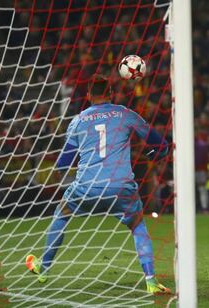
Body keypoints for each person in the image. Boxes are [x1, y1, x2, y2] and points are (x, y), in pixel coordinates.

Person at [25, 75, 171, 294]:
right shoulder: (125, 114)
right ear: (110, 93)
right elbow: (161, 145)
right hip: (121, 187)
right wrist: (154, 154)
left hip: (86, 187)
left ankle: (43, 268)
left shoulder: (78, 121)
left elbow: (64, 163)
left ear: (88, 95)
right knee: (138, 226)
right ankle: (150, 280)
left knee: (61, 215)